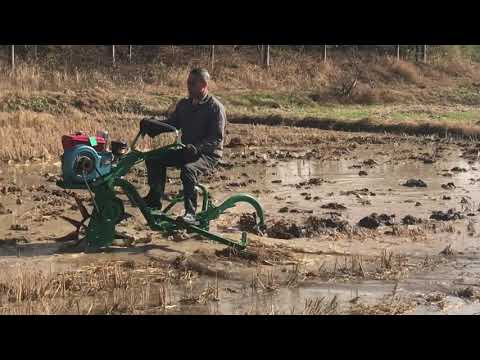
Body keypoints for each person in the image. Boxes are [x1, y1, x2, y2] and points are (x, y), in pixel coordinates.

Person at [139, 68, 226, 225]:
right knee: (153, 158)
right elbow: (173, 124)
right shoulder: (184, 105)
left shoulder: (215, 108)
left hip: (208, 154)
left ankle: (191, 214)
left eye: (192, 83)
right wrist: (152, 124)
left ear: (204, 85)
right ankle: (154, 199)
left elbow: (216, 138)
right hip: (187, 150)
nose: (188, 86)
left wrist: (197, 147)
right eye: (188, 83)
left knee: (188, 170)